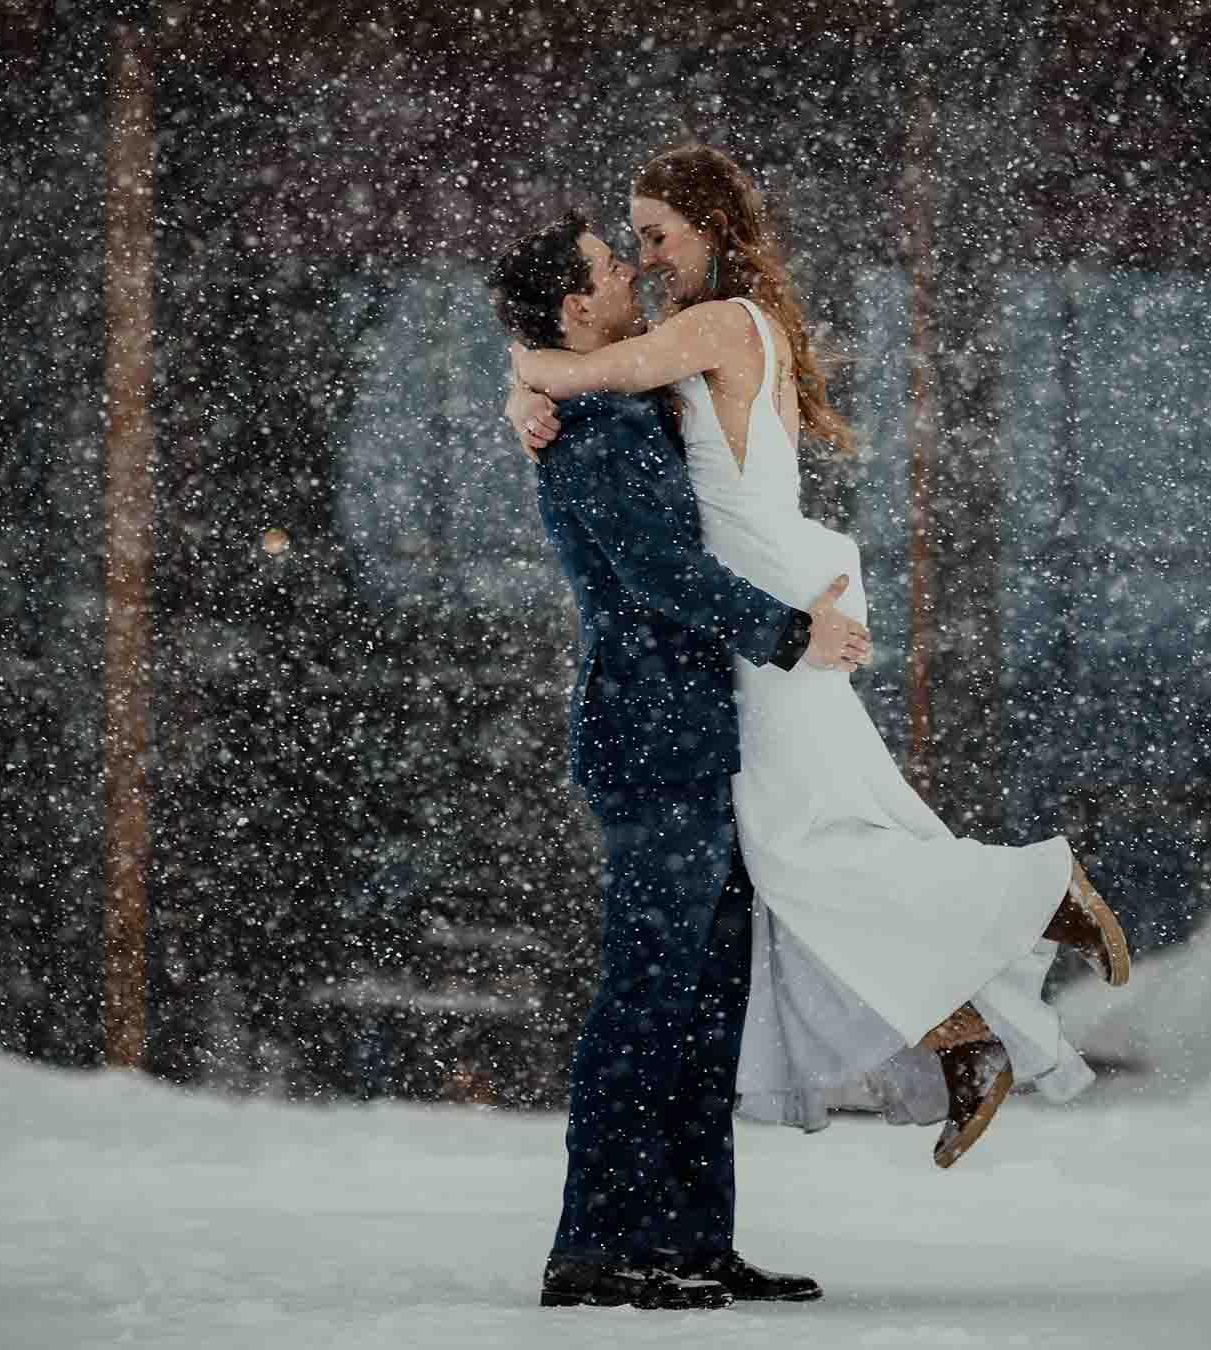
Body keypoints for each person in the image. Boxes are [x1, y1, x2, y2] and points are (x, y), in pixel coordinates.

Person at [504, 145, 1133, 1172]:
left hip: (761, 599)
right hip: (756, 597)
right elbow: (588, 364)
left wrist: (521, 373)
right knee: (799, 845)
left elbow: (585, 365)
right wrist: (523, 383)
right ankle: (957, 1031)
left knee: (801, 845)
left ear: (704, 226)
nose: (645, 255)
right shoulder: (698, 326)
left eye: (655, 233)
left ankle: (1032, 901)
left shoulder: (716, 324)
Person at [488, 210, 865, 1311]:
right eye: (611, 268)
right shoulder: (596, 433)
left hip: (693, 735)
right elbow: (661, 573)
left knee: (705, 996)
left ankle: (694, 1237)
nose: (630, 276)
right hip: (649, 740)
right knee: (649, 998)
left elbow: (608, 382)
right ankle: (596, 1246)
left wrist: (523, 378)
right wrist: (797, 634)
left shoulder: (610, 400)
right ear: (574, 303)